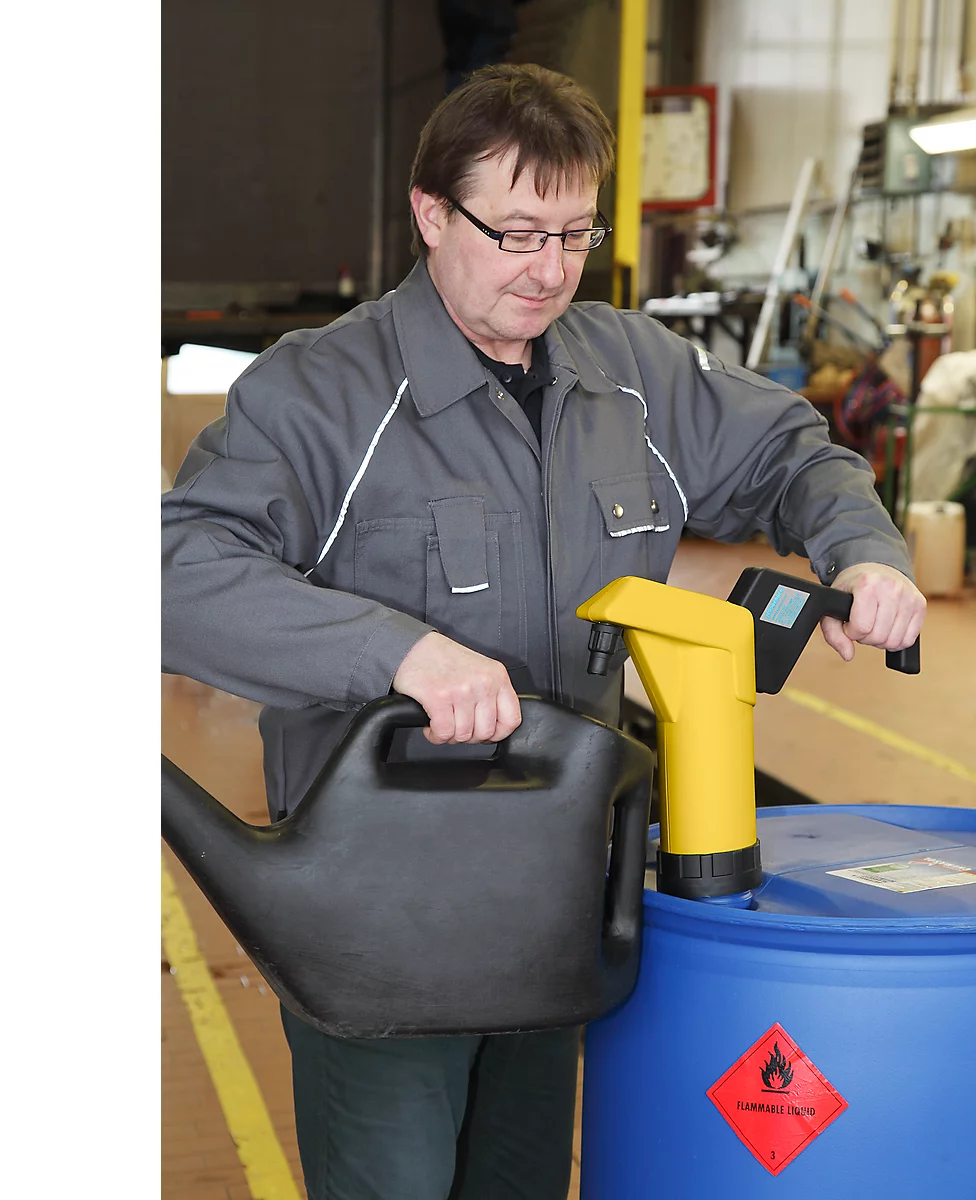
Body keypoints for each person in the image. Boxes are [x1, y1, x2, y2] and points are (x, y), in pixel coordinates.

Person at [162, 62, 925, 1200]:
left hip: (559, 898)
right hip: (379, 918)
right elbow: (175, 572)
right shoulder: (319, 396)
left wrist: (861, 550)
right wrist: (397, 653)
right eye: (517, 233)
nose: (551, 268)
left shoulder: (631, 376)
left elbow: (790, 450)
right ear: (432, 215)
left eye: (574, 234)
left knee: (522, 1183)